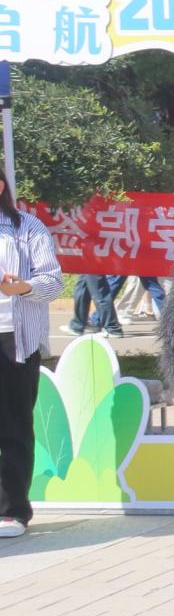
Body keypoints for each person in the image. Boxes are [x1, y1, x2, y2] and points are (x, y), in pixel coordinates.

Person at [0, 178, 65, 538]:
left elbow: (53, 282)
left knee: (13, 425)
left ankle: (13, 511)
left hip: (15, 339)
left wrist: (22, 286)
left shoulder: (27, 228)